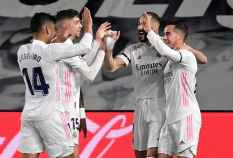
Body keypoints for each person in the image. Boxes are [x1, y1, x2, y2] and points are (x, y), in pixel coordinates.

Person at [104, 12, 207, 158]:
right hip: (140, 108)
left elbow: (201, 59)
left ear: (154, 26)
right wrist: (108, 49)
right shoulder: (133, 49)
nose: (140, 27)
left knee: (153, 154)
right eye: (138, 24)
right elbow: (111, 68)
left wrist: (191, 51)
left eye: (143, 23)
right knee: (140, 154)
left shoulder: (166, 44)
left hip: (160, 108)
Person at [17, 9, 94, 158]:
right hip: (50, 115)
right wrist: (89, 28)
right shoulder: (50, 50)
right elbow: (84, 47)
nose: (55, 33)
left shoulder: (22, 51)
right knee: (67, 155)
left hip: (29, 114)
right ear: (46, 29)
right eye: (54, 29)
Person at [54, 8, 110, 157]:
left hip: (69, 112)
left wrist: (98, 41)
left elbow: (83, 65)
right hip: (60, 113)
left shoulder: (67, 48)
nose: (80, 25)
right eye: (77, 22)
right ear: (66, 25)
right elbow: (90, 74)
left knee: (74, 154)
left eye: (81, 23)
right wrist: (90, 30)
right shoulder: (60, 48)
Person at [143, 14, 201, 158]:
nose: (165, 37)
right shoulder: (169, 63)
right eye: (164, 34)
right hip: (169, 119)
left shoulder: (187, 56)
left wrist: (150, 32)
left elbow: (164, 50)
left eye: (168, 34)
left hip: (185, 117)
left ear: (179, 37)